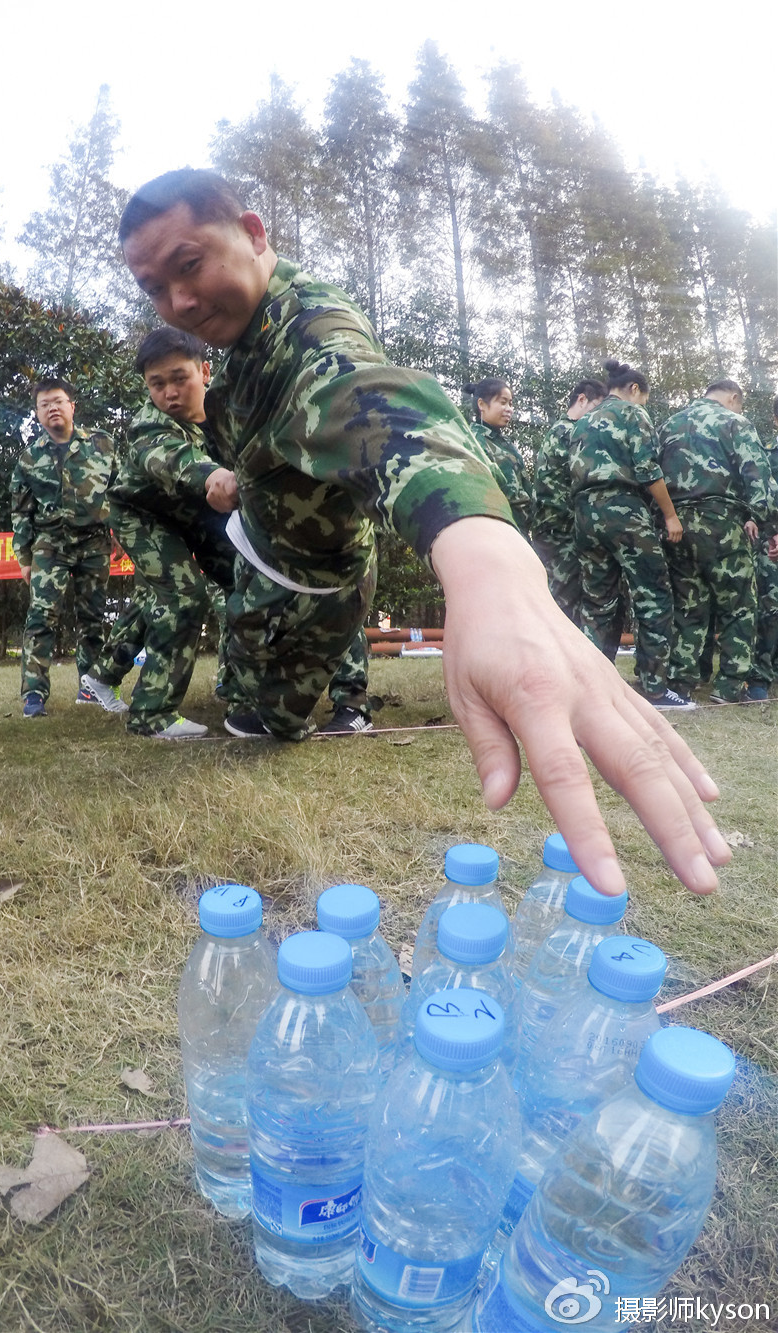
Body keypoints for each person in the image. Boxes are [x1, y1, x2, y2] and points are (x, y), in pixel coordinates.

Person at [118, 169, 730, 900]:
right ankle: (246, 685)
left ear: (253, 233)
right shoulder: (239, 337)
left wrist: (488, 562)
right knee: (239, 694)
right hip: (260, 553)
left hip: (311, 586)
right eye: (155, 288)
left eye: (190, 265)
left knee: (269, 722)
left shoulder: (311, 327)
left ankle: (270, 697)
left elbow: (377, 405)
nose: (179, 301)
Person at [108, 327, 236, 739]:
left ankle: (240, 688)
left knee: (249, 579)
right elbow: (172, 459)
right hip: (143, 514)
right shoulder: (149, 424)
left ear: (205, 371)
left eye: (180, 378)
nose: (169, 394)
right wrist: (214, 474)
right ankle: (152, 715)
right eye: (156, 384)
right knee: (184, 595)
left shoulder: (227, 413)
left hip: (193, 514)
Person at [567, 357, 694, 710]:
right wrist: (670, 516)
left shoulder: (582, 422)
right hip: (623, 510)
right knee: (653, 594)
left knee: (597, 603)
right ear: (634, 389)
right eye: (644, 399)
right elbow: (647, 469)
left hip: (584, 516)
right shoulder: (632, 414)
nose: (644, 407)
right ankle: (654, 689)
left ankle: (591, 689)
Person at [658, 379, 776, 704]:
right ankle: (729, 687)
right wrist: (763, 520)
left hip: (676, 525)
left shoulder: (669, 425)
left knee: (688, 606)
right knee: (739, 605)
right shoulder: (735, 422)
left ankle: (680, 684)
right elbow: (759, 477)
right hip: (722, 523)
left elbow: (649, 474)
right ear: (733, 398)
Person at [11, 377, 121, 720]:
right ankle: (33, 694)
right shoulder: (29, 458)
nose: (52, 409)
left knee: (92, 618)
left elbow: (121, 490)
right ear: (37, 414)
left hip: (95, 543)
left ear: (72, 406)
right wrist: (24, 557)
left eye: (58, 401)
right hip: (50, 545)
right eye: (44, 405)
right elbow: (20, 510)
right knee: (41, 617)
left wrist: (122, 532)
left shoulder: (103, 444)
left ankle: (90, 687)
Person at [532, 378, 608, 624]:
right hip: (560, 530)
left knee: (564, 598)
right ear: (582, 400)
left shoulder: (560, 430)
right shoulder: (570, 431)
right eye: (596, 406)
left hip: (556, 529)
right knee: (563, 603)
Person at [463, 376, 532, 538]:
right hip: (496, 533)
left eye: (510, 403)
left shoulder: (503, 442)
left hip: (518, 531)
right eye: (503, 402)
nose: (509, 409)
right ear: (482, 405)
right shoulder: (475, 442)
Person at [748, 395, 778, 701]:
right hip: (772, 544)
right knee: (770, 609)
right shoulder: (765, 456)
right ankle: (759, 677)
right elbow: (756, 501)